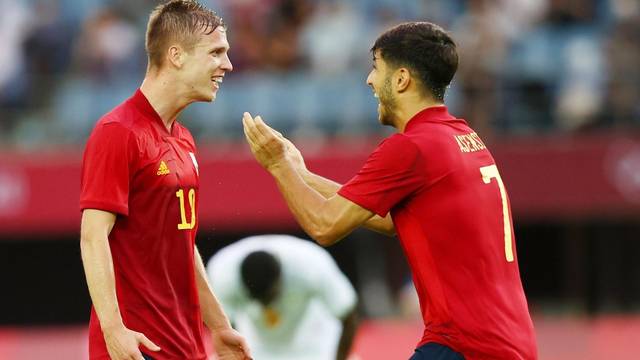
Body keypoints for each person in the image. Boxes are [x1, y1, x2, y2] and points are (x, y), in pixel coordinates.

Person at [242, 22, 537, 359]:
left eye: (376, 68)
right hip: (509, 339)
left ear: (400, 79)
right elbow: (393, 219)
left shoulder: (411, 148)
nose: (369, 80)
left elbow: (325, 226)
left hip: (464, 343)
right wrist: (301, 174)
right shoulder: (462, 136)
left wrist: (277, 166)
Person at [79, 1, 250, 359]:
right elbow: (93, 236)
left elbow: (183, 243)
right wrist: (114, 331)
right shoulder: (118, 132)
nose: (227, 65)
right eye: (216, 52)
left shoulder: (184, 139)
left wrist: (218, 325)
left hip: (185, 343)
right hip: (139, 346)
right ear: (176, 55)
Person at [206, 235, 358, 360]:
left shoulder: (311, 264)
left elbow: (347, 314)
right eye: (258, 300)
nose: (266, 307)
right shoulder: (223, 274)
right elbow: (226, 327)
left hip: (313, 343)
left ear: (280, 280)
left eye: (268, 298)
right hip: (256, 345)